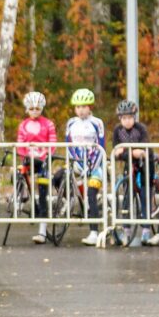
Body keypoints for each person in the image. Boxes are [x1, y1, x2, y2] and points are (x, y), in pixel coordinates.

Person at [111, 100, 159, 246]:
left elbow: (143, 148)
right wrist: (129, 152)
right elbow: (116, 150)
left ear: (134, 117)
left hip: (146, 163)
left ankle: (146, 230)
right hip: (130, 163)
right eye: (124, 118)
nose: (127, 121)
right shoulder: (117, 130)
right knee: (127, 196)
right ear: (120, 118)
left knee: (144, 194)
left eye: (130, 118)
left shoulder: (141, 128)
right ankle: (126, 229)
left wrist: (126, 151)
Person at [60, 88, 105, 245]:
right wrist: (75, 161)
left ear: (89, 107)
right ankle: (69, 200)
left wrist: (91, 166)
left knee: (91, 195)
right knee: (58, 177)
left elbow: (101, 147)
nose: (80, 110)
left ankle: (93, 232)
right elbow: (68, 145)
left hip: (94, 164)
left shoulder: (97, 122)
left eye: (83, 106)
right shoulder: (71, 123)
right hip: (77, 162)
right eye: (77, 107)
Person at [15, 91, 56, 244]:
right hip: (28, 160)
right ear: (27, 109)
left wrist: (43, 151)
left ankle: (42, 231)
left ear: (42, 108)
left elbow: (53, 145)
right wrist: (25, 152)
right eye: (31, 109)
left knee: (43, 193)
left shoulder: (48, 124)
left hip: (43, 160)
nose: (34, 111)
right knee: (17, 173)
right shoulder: (23, 125)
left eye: (37, 109)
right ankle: (22, 195)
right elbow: (20, 146)